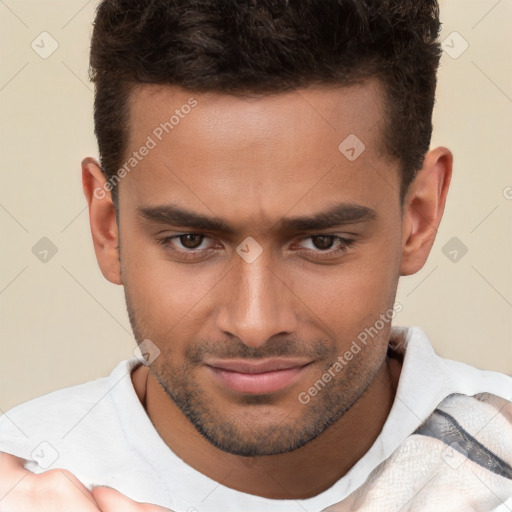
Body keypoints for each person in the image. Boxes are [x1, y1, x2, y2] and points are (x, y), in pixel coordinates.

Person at [0, 0, 511, 510]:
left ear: (418, 217)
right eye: (191, 241)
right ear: (107, 227)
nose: (254, 324)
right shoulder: (22, 470)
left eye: (321, 242)